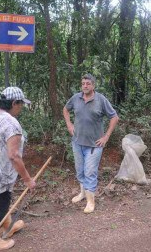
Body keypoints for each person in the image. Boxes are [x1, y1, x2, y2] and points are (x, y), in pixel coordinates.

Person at [0, 87, 36, 251]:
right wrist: (28, 179)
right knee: (1, 203)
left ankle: (7, 226)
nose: (21, 107)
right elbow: (14, 156)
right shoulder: (10, 123)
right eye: (20, 104)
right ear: (14, 103)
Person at [63, 74, 119, 213]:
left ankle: (90, 201)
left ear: (93, 85)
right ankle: (83, 193)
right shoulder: (76, 98)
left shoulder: (101, 100)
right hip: (77, 142)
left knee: (90, 172)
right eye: (83, 83)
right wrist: (69, 124)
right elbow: (65, 109)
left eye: (88, 83)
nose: (85, 86)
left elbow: (114, 117)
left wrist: (106, 137)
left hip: (94, 145)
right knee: (80, 171)